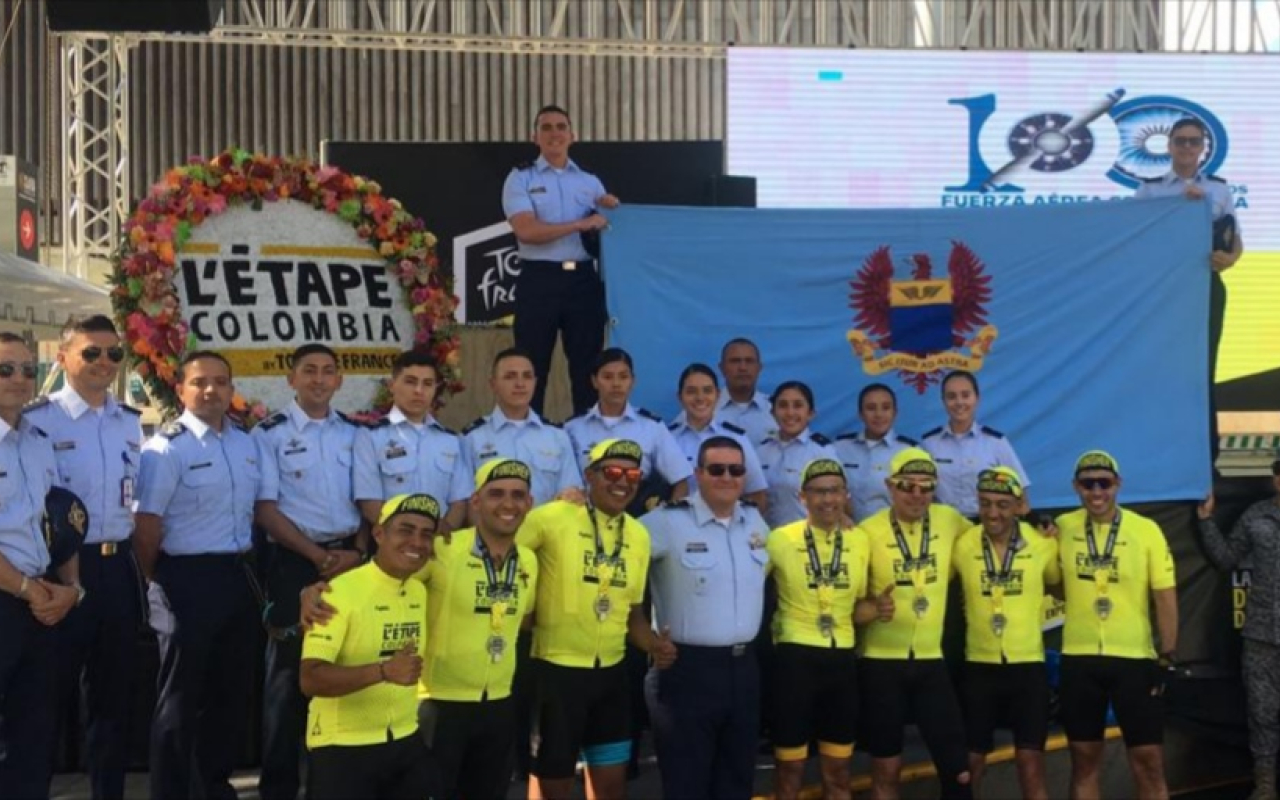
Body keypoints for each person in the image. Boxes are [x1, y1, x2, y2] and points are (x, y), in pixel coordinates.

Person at [301, 459, 543, 800]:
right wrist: (313, 592)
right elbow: (383, 576)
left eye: (518, 495)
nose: (508, 504)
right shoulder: (442, 549)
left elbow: (524, 619)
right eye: (496, 494)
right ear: (475, 501)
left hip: (499, 702)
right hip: (439, 706)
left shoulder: (528, 560)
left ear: (530, 503)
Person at [134, 350, 263, 800]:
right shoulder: (166, 448)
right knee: (180, 698)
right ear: (181, 389)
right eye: (200, 382)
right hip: (185, 578)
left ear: (232, 389)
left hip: (238, 575)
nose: (211, 390)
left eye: (220, 382)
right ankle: (171, 791)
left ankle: (214, 786)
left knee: (230, 694)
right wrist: (156, 581)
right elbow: (146, 525)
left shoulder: (246, 443)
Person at [24, 315, 141, 800]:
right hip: (56, 572)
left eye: (113, 353)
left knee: (113, 700)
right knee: (43, 698)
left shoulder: (128, 421)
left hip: (117, 568)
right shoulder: (37, 421)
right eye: (91, 352)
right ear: (62, 357)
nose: (104, 362)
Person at [252, 343, 363, 800]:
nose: (319, 379)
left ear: (339, 380)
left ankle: (333, 785)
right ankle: (279, 788)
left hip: (351, 561)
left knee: (346, 668)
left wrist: (358, 551)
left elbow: (367, 499)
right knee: (287, 678)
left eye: (328, 371)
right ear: (291, 379)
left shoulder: (356, 433)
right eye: (309, 371)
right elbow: (265, 509)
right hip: (294, 563)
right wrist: (316, 556)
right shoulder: (269, 434)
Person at [517, 439, 655, 800]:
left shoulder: (639, 535)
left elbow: (635, 613)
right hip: (556, 672)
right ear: (589, 476)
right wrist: (524, 610)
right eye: (612, 472)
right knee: (552, 786)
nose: (622, 481)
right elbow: (503, 554)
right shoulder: (552, 517)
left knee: (612, 787)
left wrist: (655, 645)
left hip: (612, 673)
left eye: (632, 475)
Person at [638, 436, 770, 800]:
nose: (727, 477)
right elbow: (616, 556)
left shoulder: (755, 523)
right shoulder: (665, 522)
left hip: (743, 671)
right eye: (716, 469)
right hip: (686, 671)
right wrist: (645, 636)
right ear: (698, 474)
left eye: (736, 470)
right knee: (687, 786)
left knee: (736, 783)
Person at [1057, 450, 1178, 800]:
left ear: (1118, 484)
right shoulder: (1062, 528)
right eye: (1088, 484)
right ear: (1076, 487)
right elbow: (1050, 582)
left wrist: (1168, 656)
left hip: (1134, 660)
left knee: (1148, 761)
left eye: (1104, 483)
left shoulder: (1145, 529)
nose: (1097, 492)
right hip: (1079, 658)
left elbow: (1165, 597)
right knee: (1083, 762)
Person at [299, 493, 436, 800]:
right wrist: (384, 671)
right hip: (343, 746)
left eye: (426, 534)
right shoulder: (337, 592)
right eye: (405, 530)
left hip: (405, 738)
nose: (417, 542)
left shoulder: (418, 589)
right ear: (378, 533)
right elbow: (310, 678)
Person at [767, 458, 889, 800]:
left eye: (835, 491)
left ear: (846, 496)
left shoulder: (859, 540)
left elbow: (857, 609)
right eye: (818, 492)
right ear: (802, 497)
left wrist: (876, 609)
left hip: (841, 661)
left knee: (838, 771)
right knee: (790, 770)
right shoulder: (779, 539)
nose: (827, 499)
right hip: (794, 660)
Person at [857, 447, 973, 800]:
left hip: (930, 661)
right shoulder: (866, 531)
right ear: (890, 486)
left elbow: (991, 540)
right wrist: (871, 608)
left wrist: (1039, 525)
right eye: (908, 486)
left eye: (927, 487)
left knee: (958, 771)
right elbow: (848, 608)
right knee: (886, 771)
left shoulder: (949, 519)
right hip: (881, 664)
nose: (917, 495)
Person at [1135, 117, 1243, 466]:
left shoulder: (1219, 190)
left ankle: (1206, 460)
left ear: (1202, 148)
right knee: (1160, 368)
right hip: (1161, 293)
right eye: (1180, 140)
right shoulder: (1150, 191)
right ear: (1168, 146)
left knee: (1202, 371)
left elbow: (1235, 241)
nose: (1186, 147)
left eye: (1193, 141)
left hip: (1205, 287)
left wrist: (1228, 259)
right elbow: (1134, 241)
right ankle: (1157, 452)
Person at [0, 332, 80, 800]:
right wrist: (30, 590)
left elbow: (61, 520)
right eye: (5, 369)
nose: (19, 378)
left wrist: (72, 587)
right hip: (15, 595)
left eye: (28, 369)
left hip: (41, 603)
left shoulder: (37, 442)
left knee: (34, 732)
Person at [503, 103, 620, 417]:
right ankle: (528, 432)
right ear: (535, 137)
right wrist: (579, 224)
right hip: (539, 280)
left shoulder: (590, 182)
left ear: (572, 135)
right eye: (546, 127)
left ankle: (588, 434)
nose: (554, 133)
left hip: (583, 281)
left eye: (561, 127)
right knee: (531, 366)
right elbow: (526, 230)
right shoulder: (520, 178)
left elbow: (609, 232)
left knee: (587, 367)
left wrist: (612, 209)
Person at [952, 467, 1060, 800]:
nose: (992, 513)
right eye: (985, 503)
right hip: (979, 666)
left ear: (1018, 506)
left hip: (1027, 667)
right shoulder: (963, 543)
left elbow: (1058, 584)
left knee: (1030, 763)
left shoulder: (1041, 544)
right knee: (971, 763)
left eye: (1002, 504)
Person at [1196, 462, 1280, 800]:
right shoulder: (1256, 515)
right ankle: (1266, 785)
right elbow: (1227, 558)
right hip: (1261, 636)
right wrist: (1206, 521)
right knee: (1262, 714)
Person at [565, 348, 692, 515]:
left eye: (623, 377)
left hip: (638, 519)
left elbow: (680, 482)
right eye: (607, 377)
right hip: (584, 518)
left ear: (633, 381)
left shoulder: (651, 427)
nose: (616, 384)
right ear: (594, 381)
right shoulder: (574, 428)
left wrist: (665, 520)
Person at [353, 350, 470, 532]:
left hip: (440, 541)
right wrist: (409, 534)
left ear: (436, 389)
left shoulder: (450, 440)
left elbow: (460, 501)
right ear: (392, 385)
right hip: (391, 540)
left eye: (427, 384)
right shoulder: (371, 436)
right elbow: (369, 503)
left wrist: (442, 531)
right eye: (410, 382)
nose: (419, 391)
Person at [460, 347, 583, 506]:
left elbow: (571, 495)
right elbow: (466, 500)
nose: (520, 384)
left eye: (527, 376)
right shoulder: (472, 438)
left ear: (535, 383)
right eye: (510, 377)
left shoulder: (557, 436)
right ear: (493, 384)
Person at [921, 370, 1029, 519]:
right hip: (943, 524)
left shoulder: (996, 443)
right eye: (951, 397)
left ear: (977, 398)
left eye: (965, 395)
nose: (959, 402)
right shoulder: (929, 444)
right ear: (943, 401)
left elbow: (1021, 495)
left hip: (987, 524)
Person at [666, 363, 768, 510]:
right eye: (691, 392)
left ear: (718, 395)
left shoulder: (735, 438)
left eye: (707, 391)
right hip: (677, 520)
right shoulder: (667, 438)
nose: (700, 398)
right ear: (680, 397)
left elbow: (757, 494)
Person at [757, 380, 838, 529]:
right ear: (773, 413)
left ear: (811, 413)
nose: (790, 413)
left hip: (807, 539)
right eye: (783, 405)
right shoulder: (761, 452)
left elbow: (836, 501)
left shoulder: (822, 452)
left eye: (798, 405)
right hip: (766, 537)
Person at [834, 383, 917, 522]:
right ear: (860, 414)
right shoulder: (840, 448)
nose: (878, 414)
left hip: (891, 530)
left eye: (886, 408)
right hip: (848, 529)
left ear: (895, 413)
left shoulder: (909, 452)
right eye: (871, 408)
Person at [715, 338, 774, 449]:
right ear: (721, 368)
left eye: (749, 361)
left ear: (759, 368)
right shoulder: (704, 410)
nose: (743, 368)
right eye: (735, 361)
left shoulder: (775, 409)